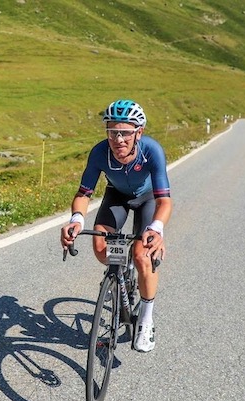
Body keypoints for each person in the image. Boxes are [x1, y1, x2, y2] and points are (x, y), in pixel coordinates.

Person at [60, 99, 172, 353]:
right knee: (101, 247)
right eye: (112, 132)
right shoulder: (100, 152)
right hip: (117, 196)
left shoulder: (152, 151)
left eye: (125, 132)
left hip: (148, 199)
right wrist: (76, 220)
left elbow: (165, 201)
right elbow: (83, 193)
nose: (118, 139)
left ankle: (145, 320)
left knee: (143, 256)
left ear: (138, 133)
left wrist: (156, 228)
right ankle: (118, 274)